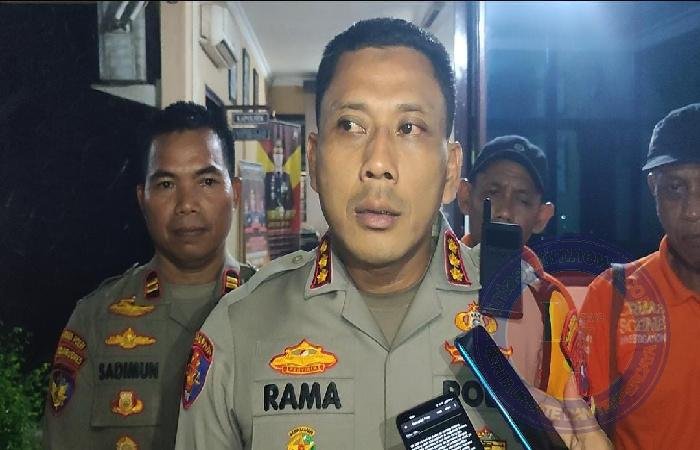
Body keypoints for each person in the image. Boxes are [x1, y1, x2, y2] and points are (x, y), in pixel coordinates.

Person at [176, 19, 609, 450]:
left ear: (450, 171)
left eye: (409, 128)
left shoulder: (535, 315)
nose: (378, 162)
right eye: (351, 125)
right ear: (315, 160)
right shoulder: (238, 328)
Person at [43, 101, 253, 450]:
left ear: (236, 193)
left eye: (206, 181)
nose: (187, 204)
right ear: (143, 200)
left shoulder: (273, 308)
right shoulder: (96, 320)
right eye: (167, 184)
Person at [578, 103, 700, 449]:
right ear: (653, 188)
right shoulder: (612, 297)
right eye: (676, 188)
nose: (693, 211)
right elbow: (579, 426)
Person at [456, 135, 579, 400]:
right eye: (492, 193)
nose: (505, 212)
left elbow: (563, 406)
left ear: (542, 217)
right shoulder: (428, 278)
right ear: (465, 196)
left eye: (522, 201)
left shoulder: (551, 301)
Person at [264, 138, 293, 215]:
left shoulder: (287, 177)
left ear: (283, 156)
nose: (278, 157)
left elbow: (290, 200)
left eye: (280, 153)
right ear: (272, 156)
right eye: (276, 153)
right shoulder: (267, 177)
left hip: (284, 217)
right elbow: (264, 199)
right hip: (270, 216)